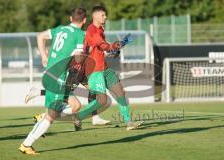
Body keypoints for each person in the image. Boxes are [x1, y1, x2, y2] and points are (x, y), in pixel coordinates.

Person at [19, 7, 89, 155]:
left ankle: (39, 106)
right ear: (84, 21)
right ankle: (26, 144)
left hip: (50, 73)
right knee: (51, 116)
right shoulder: (80, 35)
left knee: (75, 105)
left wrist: (44, 56)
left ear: (71, 19)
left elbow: (40, 36)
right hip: (59, 77)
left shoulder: (60, 29)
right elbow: (77, 58)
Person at [81, 5, 144, 131]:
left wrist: (113, 51)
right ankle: (78, 116)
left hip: (104, 68)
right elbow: (103, 46)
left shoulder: (100, 30)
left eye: (105, 15)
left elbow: (101, 49)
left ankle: (129, 123)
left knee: (120, 92)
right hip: (94, 71)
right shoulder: (92, 30)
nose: (106, 17)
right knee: (102, 101)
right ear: (95, 16)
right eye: (103, 15)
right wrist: (116, 45)